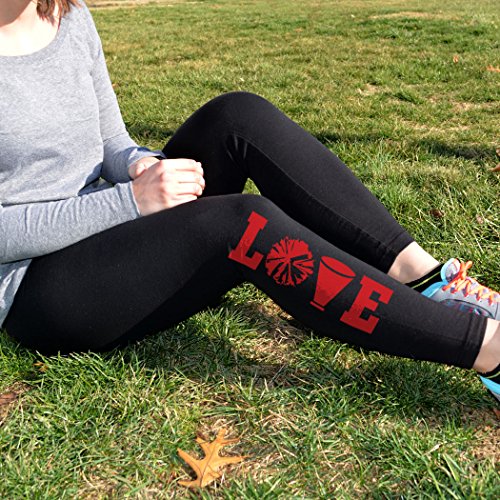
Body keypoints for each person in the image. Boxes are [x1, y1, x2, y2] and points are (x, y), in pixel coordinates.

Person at [1, 0, 499, 404]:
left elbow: (111, 139)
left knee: (236, 117)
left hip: (115, 222)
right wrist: (129, 202)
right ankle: (490, 351)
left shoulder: (66, 14)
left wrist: (140, 164)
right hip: (40, 287)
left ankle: (427, 280)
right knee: (244, 225)